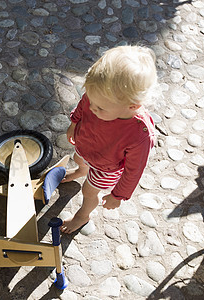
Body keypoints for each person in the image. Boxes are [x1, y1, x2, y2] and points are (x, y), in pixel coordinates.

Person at [60, 45, 158, 234]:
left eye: (100, 108)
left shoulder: (140, 134)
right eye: (92, 100)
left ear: (132, 106)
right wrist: (74, 123)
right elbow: (83, 105)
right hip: (86, 144)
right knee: (79, 159)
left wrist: (118, 195)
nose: (93, 108)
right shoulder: (99, 97)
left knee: (89, 192)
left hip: (106, 167)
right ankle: (82, 170)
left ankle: (83, 215)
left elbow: (134, 170)